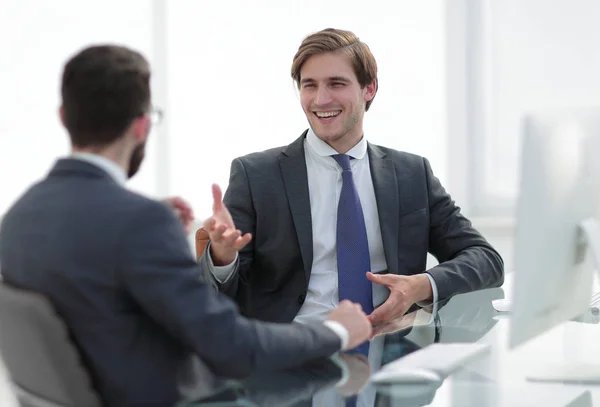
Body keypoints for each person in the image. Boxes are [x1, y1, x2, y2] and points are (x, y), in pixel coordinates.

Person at [0, 44, 372, 407]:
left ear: (64, 116)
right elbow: (234, 347)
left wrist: (144, 225)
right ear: (142, 126)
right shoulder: (139, 221)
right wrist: (335, 331)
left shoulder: (19, 216)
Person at [200, 27, 504, 333]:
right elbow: (216, 298)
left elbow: (486, 260)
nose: (321, 99)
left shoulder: (412, 174)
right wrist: (224, 258)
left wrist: (420, 285)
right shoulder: (256, 175)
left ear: (368, 89)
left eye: (336, 84)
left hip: (389, 347)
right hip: (290, 349)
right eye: (309, 85)